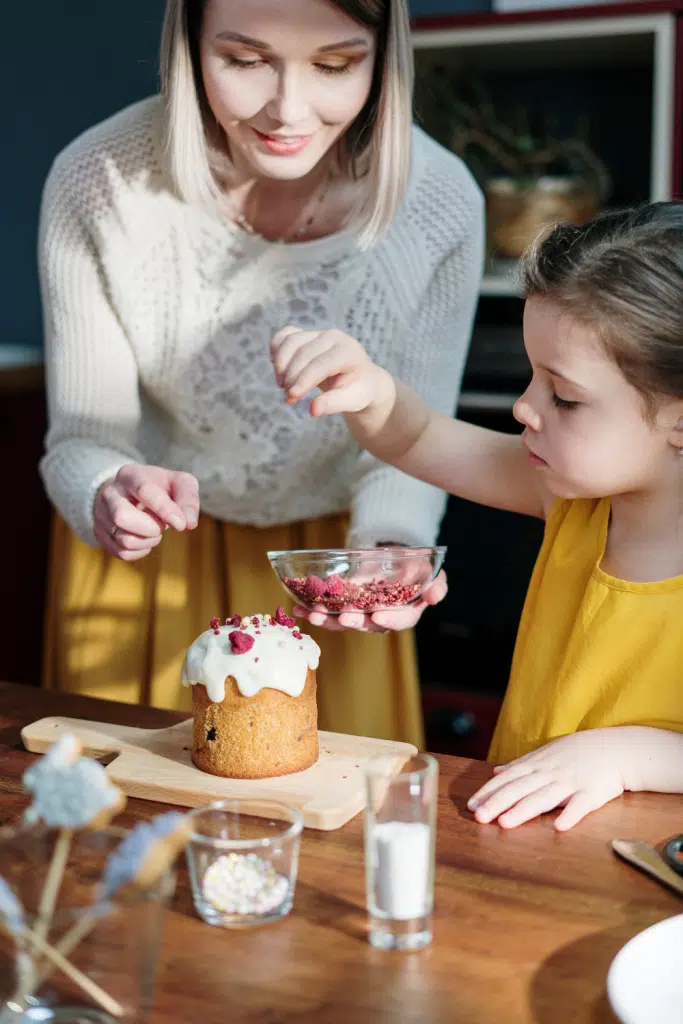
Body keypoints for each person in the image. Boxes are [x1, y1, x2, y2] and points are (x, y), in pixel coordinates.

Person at [38, 0, 484, 746]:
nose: (287, 109)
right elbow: (80, 440)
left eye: (335, 65)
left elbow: (416, 437)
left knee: (331, 848)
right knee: (116, 846)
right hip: (149, 561)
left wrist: (390, 549)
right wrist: (107, 489)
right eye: (243, 61)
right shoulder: (99, 180)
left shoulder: (439, 203)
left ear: (383, 57)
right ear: (187, 43)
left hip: (334, 569)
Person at [272, 201, 683, 829]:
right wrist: (371, 391)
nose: (524, 406)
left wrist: (626, 756)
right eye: (533, 379)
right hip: (523, 850)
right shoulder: (572, 498)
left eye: (565, 398)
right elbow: (417, 442)